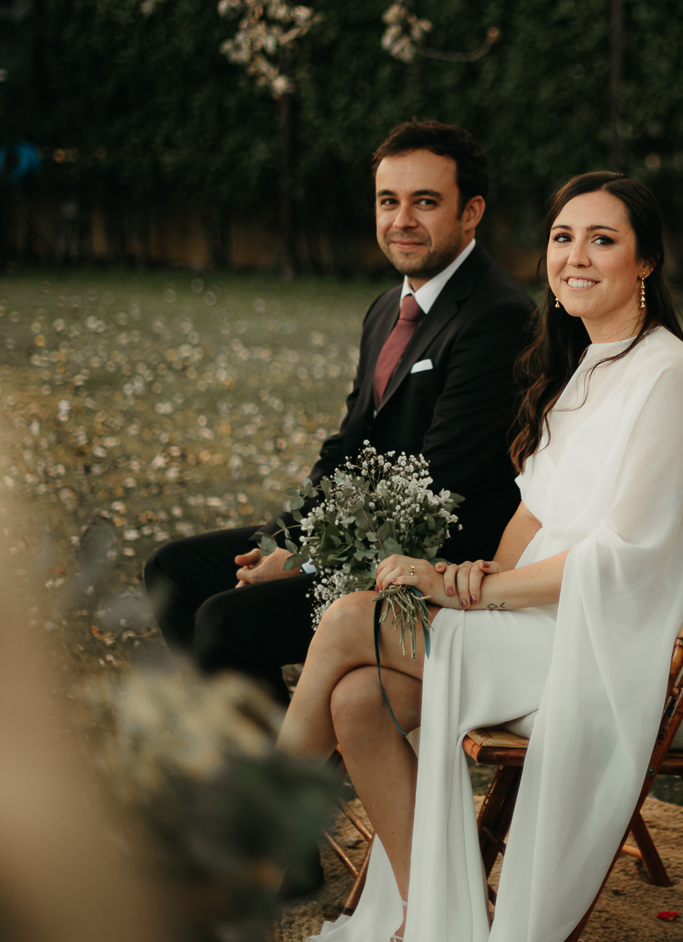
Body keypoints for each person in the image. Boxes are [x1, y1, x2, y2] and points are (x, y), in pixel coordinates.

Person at [274, 171, 683, 942]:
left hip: (595, 642)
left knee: (348, 618)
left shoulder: (670, 376)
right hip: (534, 615)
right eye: (563, 238)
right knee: (359, 700)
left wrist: (469, 593)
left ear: (646, 260)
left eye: (602, 239)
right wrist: (484, 576)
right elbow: (533, 516)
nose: (575, 257)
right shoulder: (590, 363)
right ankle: (427, 926)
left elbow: (621, 561)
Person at [145, 120, 533, 708]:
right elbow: (347, 447)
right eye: (388, 201)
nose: (401, 220)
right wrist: (282, 537)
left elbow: (438, 486)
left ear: (471, 211)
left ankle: (282, 782)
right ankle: (278, 763)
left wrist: (302, 560)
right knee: (172, 573)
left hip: (433, 563)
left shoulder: (496, 317)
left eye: (425, 202)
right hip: (362, 532)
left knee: (226, 623)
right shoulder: (387, 307)